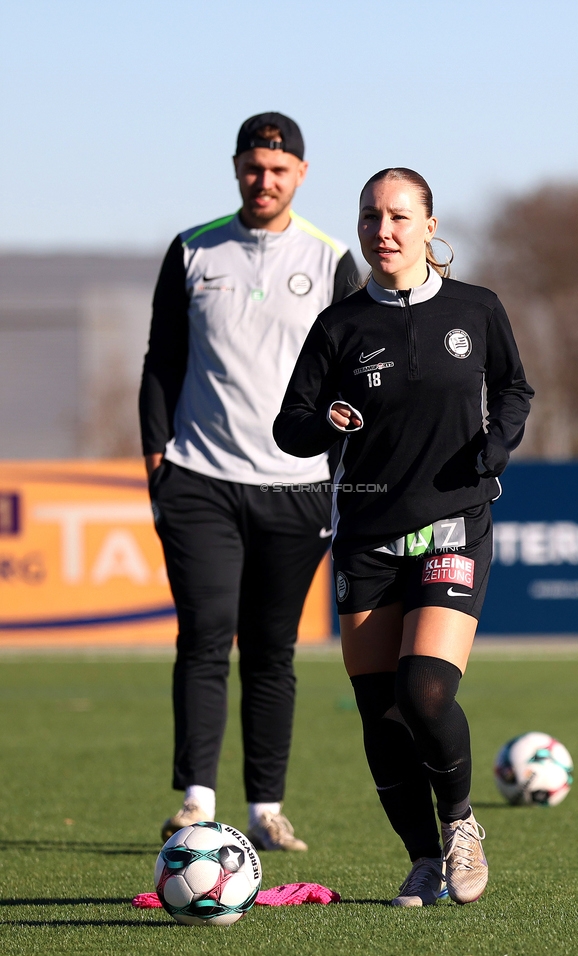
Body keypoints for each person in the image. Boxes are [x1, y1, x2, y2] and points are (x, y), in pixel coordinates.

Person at [273, 168, 533, 903]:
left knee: (423, 689)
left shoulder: (477, 308)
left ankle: (461, 825)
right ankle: (423, 860)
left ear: (428, 226)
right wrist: (325, 422)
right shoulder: (340, 325)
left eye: (396, 216)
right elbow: (289, 425)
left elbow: (514, 388)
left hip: (455, 524)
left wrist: (497, 444)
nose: (381, 231)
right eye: (369, 217)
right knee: (379, 711)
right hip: (366, 537)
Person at [139, 112, 358, 850]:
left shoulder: (331, 258)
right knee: (204, 636)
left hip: (296, 486)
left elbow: (353, 373)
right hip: (199, 479)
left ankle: (266, 810)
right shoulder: (192, 249)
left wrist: (337, 466)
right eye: (253, 167)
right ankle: (196, 802)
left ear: (301, 174)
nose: (265, 180)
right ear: (237, 167)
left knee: (271, 649)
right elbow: (161, 360)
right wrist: (156, 458)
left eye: (279, 169)